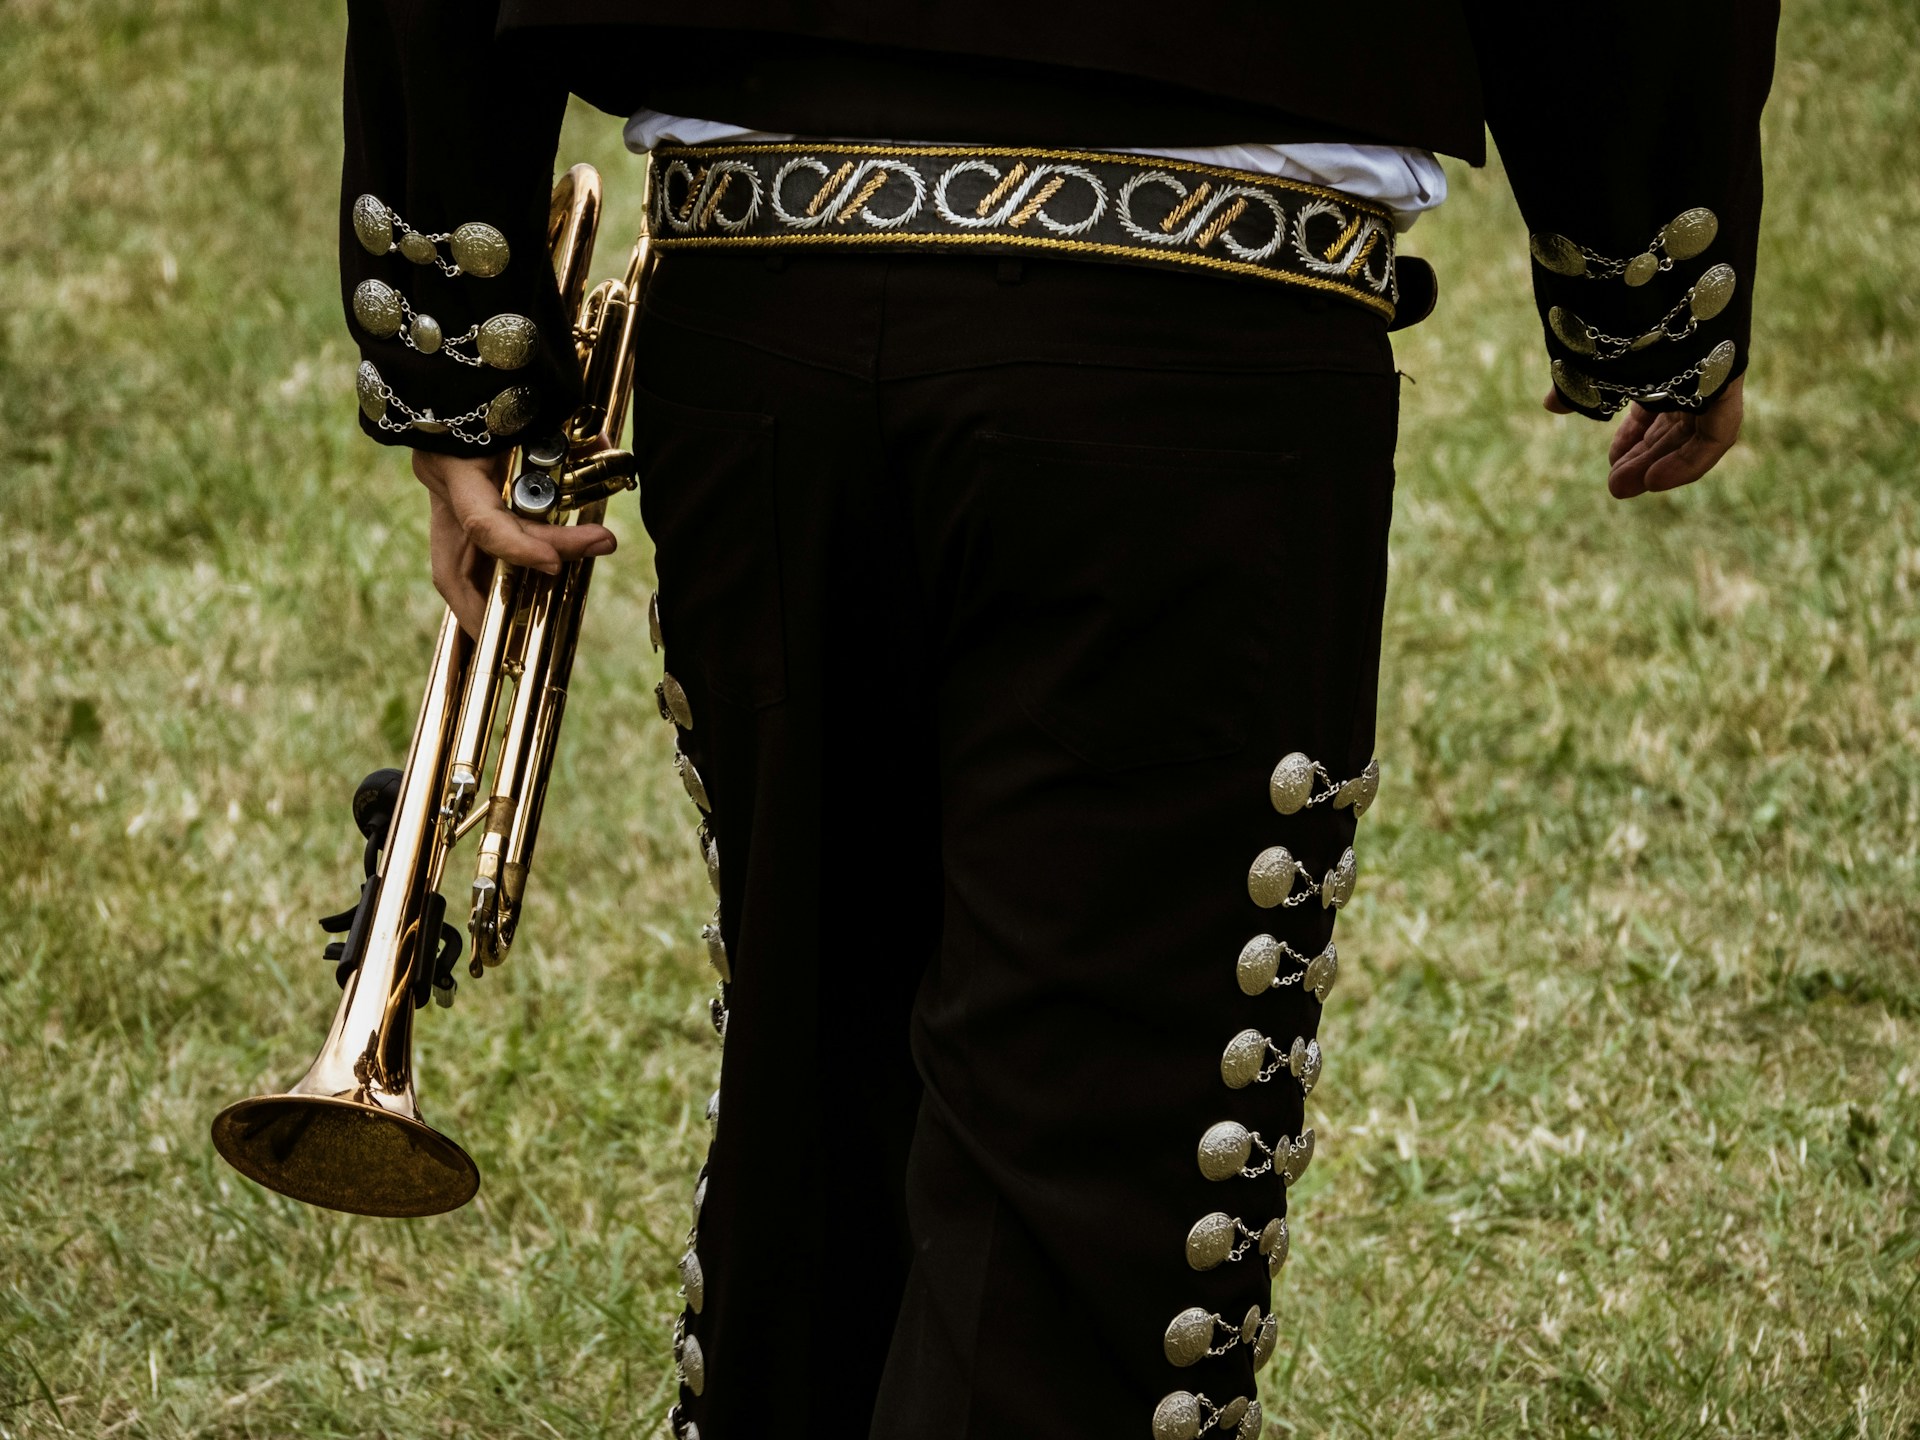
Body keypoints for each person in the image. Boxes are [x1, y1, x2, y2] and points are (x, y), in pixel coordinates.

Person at [336, 6, 1778, 1436]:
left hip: (769, 275)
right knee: (1080, 1177)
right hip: (1202, 304)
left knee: (814, 1119)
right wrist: (1650, 273)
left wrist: (456, 349)